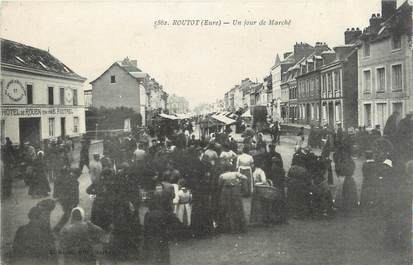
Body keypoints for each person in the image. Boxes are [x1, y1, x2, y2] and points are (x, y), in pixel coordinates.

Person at [53, 168, 81, 233]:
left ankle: (71, 228)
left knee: (69, 214)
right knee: (68, 215)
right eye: (79, 175)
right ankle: (57, 229)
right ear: (77, 174)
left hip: (65, 200)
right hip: (69, 201)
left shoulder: (67, 178)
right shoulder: (74, 181)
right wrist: (74, 202)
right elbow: (73, 193)